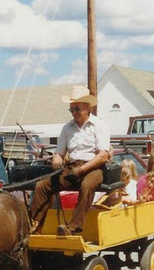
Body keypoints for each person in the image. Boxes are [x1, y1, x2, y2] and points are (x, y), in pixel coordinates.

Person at [30, 85, 111, 236]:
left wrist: (81, 170)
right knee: (42, 186)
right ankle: (35, 224)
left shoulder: (99, 125)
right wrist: (56, 160)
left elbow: (103, 156)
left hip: (94, 167)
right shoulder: (67, 128)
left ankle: (73, 228)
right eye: (71, 109)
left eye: (77, 109)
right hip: (72, 168)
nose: (74, 113)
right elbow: (59, 153)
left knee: (87, 185)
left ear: (87, 107)